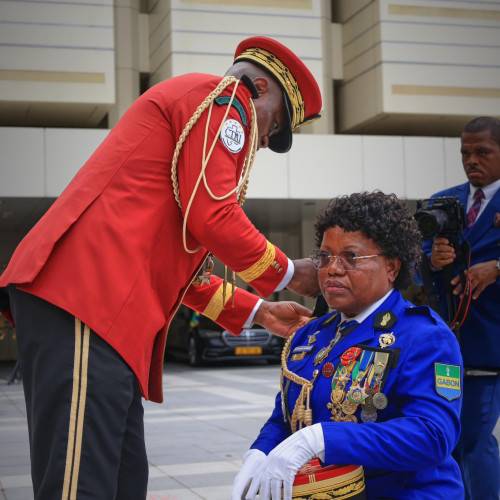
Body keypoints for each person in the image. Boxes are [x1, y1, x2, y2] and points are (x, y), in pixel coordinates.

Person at [0, 36, 323, 499]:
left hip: (105, 310)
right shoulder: (228, 99)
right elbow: (213, 214)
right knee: (82, 486)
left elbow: (178, 271)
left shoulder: (199, 113)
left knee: (122, 482)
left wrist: (260, 312)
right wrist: (290, 273)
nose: (266, 142)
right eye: (274, 125)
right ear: (258, 89)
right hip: (87, 298)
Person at [232, 191, 464, 500]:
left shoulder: (425, 335)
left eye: (351, 257)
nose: (332, 269)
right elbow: (284, 416)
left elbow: (433, 436)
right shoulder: (310, 334)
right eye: (324, 257)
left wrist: (324, 438)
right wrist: (259, 453)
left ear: (392, 268)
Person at [419, 116, 500, 500]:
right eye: (466, 153)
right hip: (445, 346)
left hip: (489, 346)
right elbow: (416, 271)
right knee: (446, 439)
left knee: (474, 439)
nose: (472, 160)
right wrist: (433, 261)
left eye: (482, 152)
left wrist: (498, 268)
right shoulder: (443, 202)